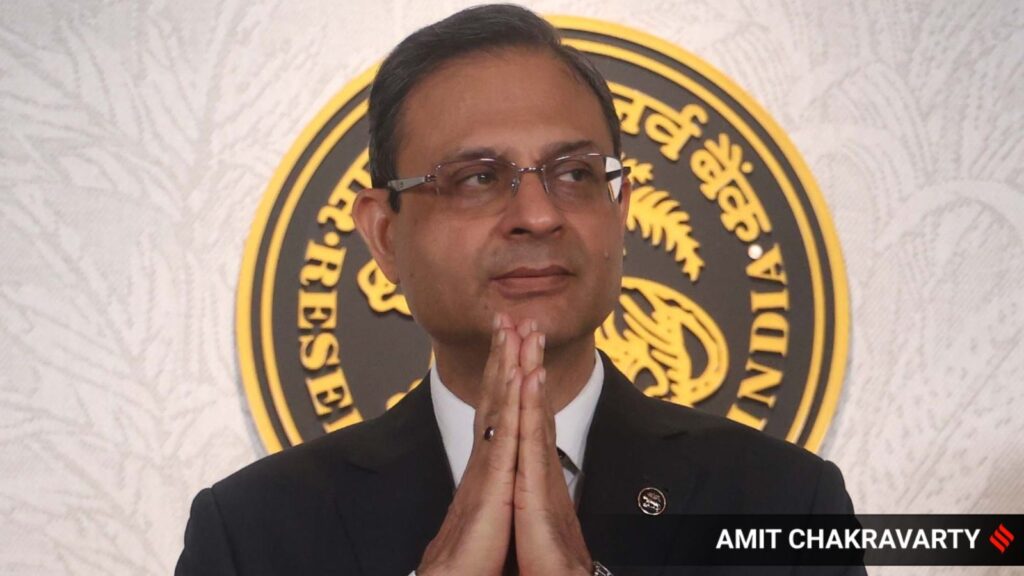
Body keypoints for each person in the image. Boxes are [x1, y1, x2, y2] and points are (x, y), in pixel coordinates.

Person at [176, 5, 863, 575]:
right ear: (385, 234)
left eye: (575, 173)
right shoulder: (253, 533)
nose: (538, 214)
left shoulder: (785, 504)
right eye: (476, 177)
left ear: (620, 213)